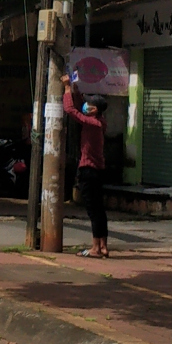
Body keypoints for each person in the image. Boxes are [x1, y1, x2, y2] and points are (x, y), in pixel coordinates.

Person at [65, 74, 108, 257]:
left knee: (93, 211)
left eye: (90, 105)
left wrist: (67, 88)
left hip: (88, 171)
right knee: (99, 209)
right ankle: (103, 246)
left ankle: (96, 248)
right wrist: (75, 91)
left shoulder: (92, 124)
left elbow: (70, 111)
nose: (86, 106)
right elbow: (80, 105)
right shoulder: (100, 122)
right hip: (97, 171)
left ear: (95, 110)